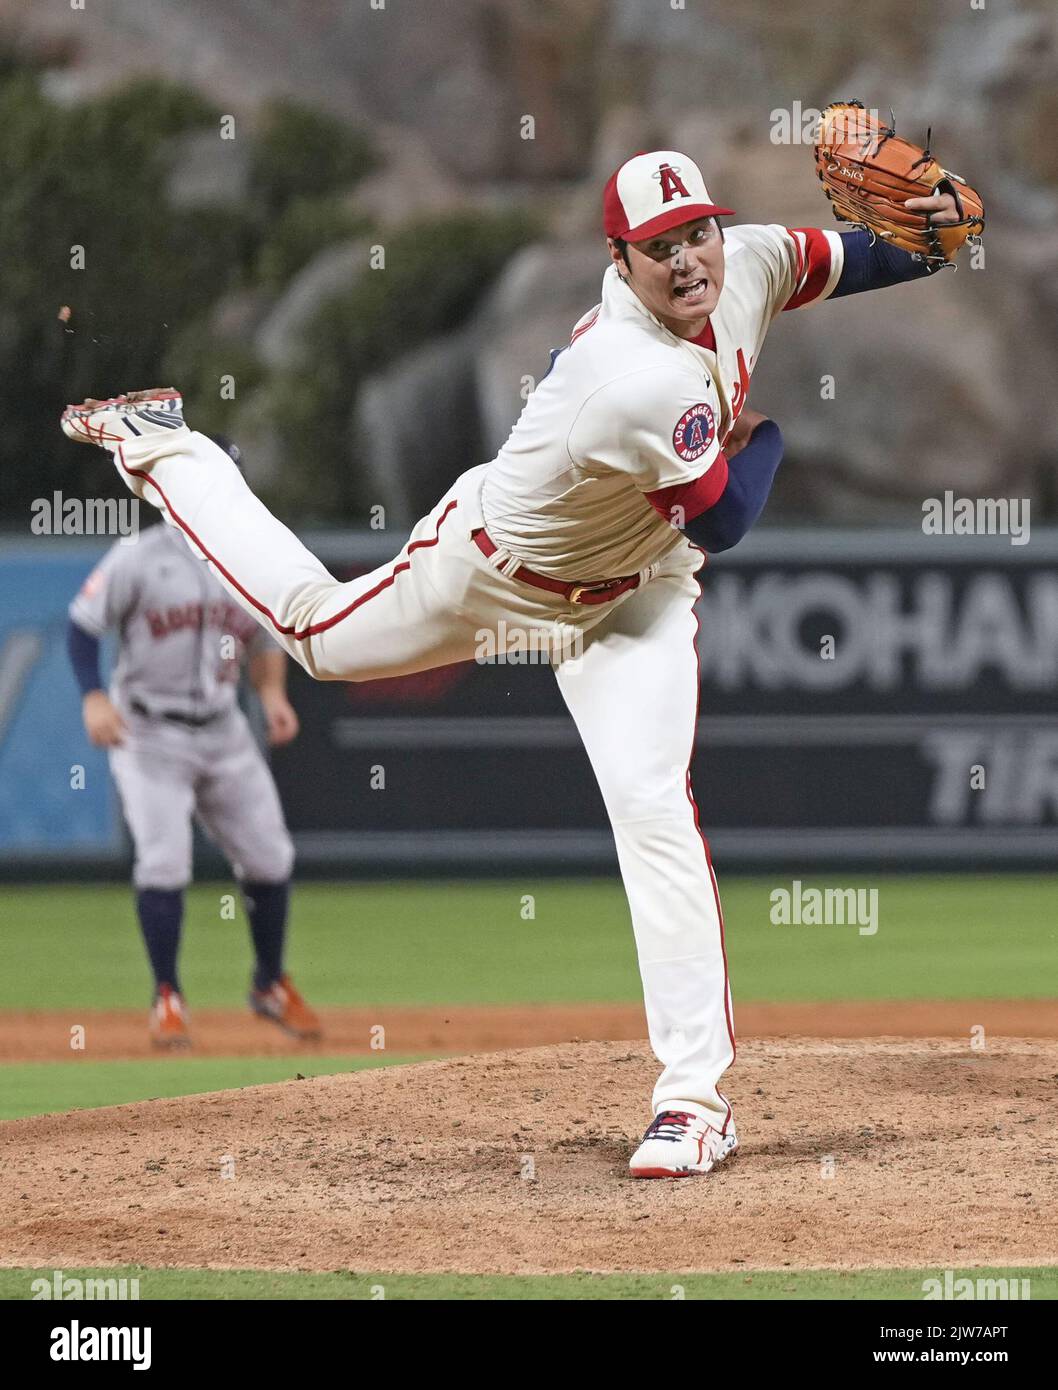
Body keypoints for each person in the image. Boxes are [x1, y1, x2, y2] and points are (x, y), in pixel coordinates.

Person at [61, 148, 967, 1171]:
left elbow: (838, 256)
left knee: (652, 808)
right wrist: (766, 441)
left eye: (697, 233)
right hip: (492, 573)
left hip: (635, 599)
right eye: (657, 248)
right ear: (617, 263)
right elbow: (724, 515)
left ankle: (690, 1104)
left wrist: (933, 235)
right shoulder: (629, 377)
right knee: (314, 638)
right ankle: (167, 448)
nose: (687, 261)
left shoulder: (741, 260)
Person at [66, 436, 321, 1049]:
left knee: (270, 858)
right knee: (164, 861)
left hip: (223, 728)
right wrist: (93, 697)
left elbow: (264, 640)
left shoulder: (247, 561)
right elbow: (82, 626)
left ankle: (268, 983)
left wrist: (273, 697)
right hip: (148, 731)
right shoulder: (140, 556)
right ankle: (167, 997)